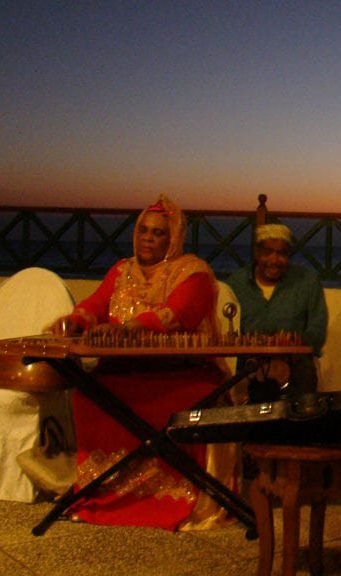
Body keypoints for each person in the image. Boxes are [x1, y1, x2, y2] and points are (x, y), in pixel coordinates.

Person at [46, 194, 234, 530]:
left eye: (158, 233)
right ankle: (100, 495)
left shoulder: (193, 272)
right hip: (122, 371)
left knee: (187, 400)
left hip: (181, 375)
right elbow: (95, 304)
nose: (147, 237)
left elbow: (179, 315)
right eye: (143, 230)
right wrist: (76, 321)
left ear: (173, 238)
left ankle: (169, 501)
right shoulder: (122, 270)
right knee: (86, 395)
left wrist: (129, 329)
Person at [225, 223, 329, 402]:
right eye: (267, 252)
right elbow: (226, 326)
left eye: (281, 253)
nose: (274, 260)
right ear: (256, 253)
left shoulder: (306, 282)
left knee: (301, 407)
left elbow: (317, 328)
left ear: (289, 255)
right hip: (249, 365)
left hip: (296, 366)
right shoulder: (237, 283)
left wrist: (291, 348)